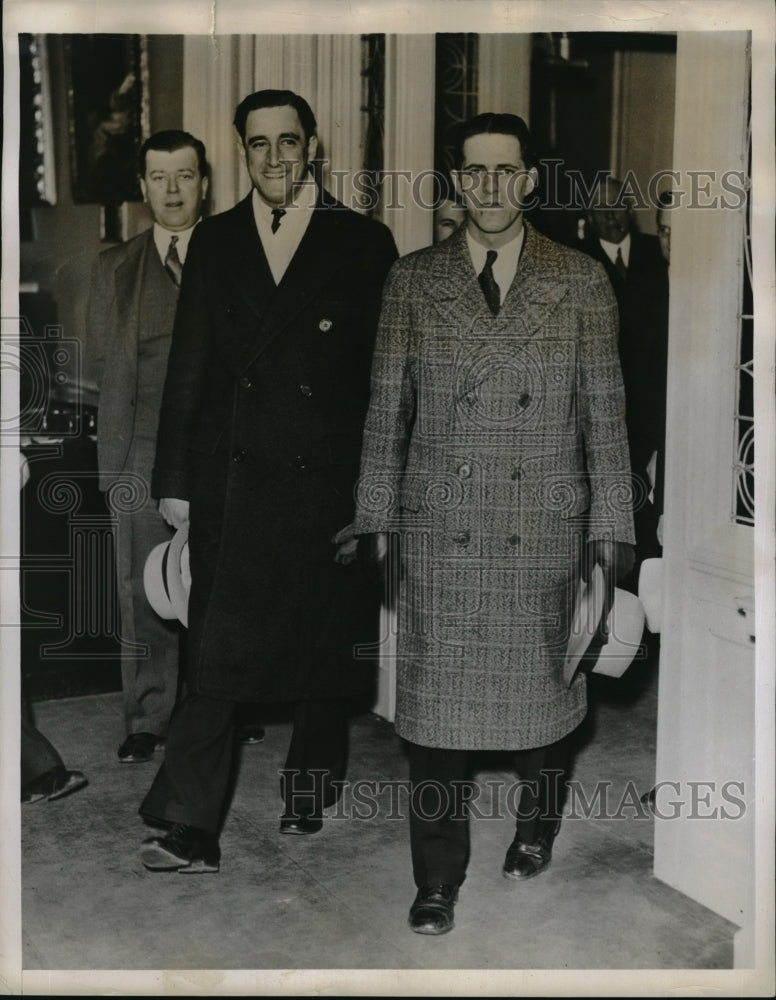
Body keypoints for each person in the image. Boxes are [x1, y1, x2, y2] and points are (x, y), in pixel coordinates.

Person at [352, 113, 635, 935]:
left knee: (544, 707)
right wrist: (376, 519)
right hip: (442, 528)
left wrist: (610, 534)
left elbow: (606, 420)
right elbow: (385, 413)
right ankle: (436, 876)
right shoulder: (412, 279)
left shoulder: (581, 280)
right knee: (434, 721)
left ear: (530, 181)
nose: (490, 188)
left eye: (505, 172)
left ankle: (537, 823)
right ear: (455, 182)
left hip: (543, 524)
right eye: (473, 172)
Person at [138, 89, 398, 873]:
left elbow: (384, 383)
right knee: (211, 654)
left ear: (313, 145)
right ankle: (189, 823)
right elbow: (189, 370)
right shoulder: (216, 242)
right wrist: (175, 479)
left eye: (289, 142)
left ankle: (309, 786)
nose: (275, 158)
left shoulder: (362, 241)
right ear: (242, 154)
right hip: (234, 478)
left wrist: (375, 492)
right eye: (259, 144)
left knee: (321, 649)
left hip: (327, 479)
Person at [86, 130, 218, 764]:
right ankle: (148, 716)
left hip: (219, 450)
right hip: (138, 451)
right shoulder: (115, 267)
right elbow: (107, 369)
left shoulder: (234, 256)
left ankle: (222, 705)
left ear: (205, 183)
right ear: (143, 187)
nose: (172, 189)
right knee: (144, 591)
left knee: (220, 589)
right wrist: (113, 470)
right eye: (159, 177)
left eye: (185, 175)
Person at [576, 175, 669, 583]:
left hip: (656, 403)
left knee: (652, 503)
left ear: (630, 209)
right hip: (603, 408)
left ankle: (644, 588)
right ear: (589, 217)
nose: (611, 217)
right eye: (601, 210)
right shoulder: (576, 261)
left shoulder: (660, 250)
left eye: (618, 207)